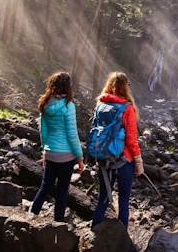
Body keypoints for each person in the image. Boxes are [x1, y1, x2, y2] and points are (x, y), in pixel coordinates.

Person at [91, 71, 144, 229]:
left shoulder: (101, 104)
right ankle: (122, 242)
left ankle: (93, 236)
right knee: (124, 202)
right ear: (125, 87)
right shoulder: (127, 108)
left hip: (103, 157)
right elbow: (131, 140)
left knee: (103, 200)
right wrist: (139, 163)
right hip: (123, 161)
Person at [31, 70, 84, 222]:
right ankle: (58, 224)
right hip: (66, 155)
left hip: (50, 152)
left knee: (45, 187)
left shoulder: (45, 103)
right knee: (62, 191)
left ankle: (31, 214)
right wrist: (80, 158)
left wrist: (45, 151)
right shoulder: (68, 106)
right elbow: (72, 134)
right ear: (67, 87)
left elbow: (43, 132)